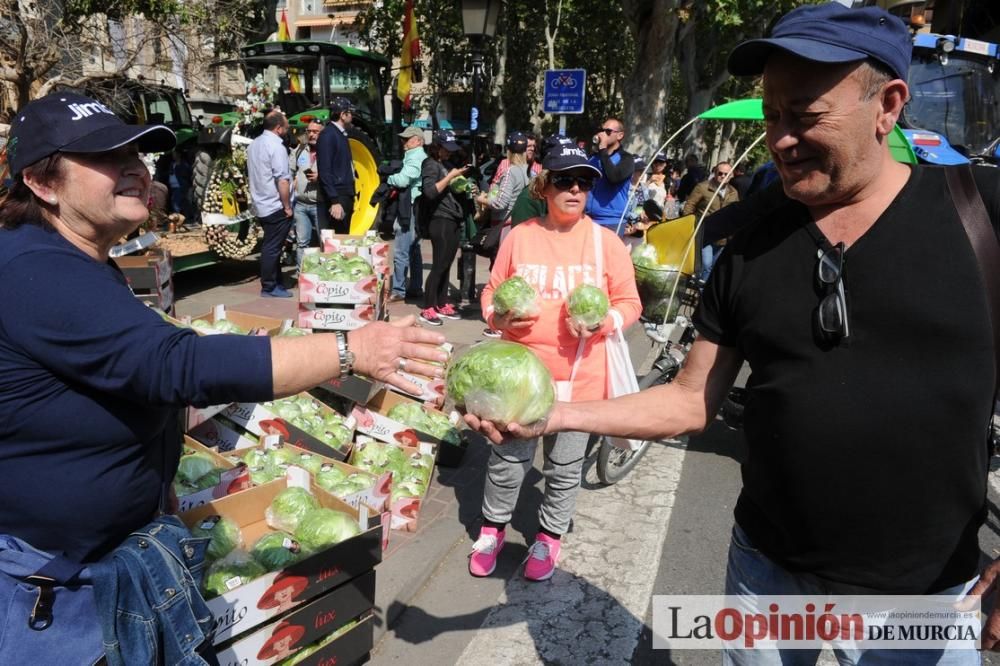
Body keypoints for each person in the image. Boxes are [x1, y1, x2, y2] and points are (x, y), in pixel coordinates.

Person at [467, 3, 1000, 663]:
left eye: (804, 116)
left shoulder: (980, 215)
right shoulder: (746, 241)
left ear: (887, 104)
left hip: (927, 595)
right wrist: (551, 414)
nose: (779, 139)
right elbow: (691, 399)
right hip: (766, 577)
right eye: (773, 115)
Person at [0, 92, 448, 663]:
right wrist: (350, 348)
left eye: (137, 153)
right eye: (108, 157)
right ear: (42, 182)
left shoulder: (74, 258)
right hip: (54, 598)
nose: (136, 168)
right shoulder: (34, 271)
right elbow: (178, 366)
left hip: (100, 567)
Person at [470, 143, 641, 582]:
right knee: (508, 463)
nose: (575, 190)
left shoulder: (606, 245)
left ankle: (548, 538)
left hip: (580, 381)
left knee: (564, 470)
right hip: (519, 382)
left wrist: (605, 321)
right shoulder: (521, 236)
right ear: (544, 186)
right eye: (565, 180)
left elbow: (630, 303)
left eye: (584, 182)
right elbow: (490, 293)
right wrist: (497, 316)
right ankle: (491, 530)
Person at [418, 130, 469, 327]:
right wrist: (451, 176)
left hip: (453, 218)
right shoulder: (430, 164)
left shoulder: (445, 164)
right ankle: (428, 306)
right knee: (439, 264)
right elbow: (430, 192)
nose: (449, 153)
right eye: (446, 149)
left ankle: (441, 302)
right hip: (439, 219)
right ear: (436, 147)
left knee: (447, 264)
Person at [248, 110, 295, 298]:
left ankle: (276, 282)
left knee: (271, 244)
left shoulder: (254, 144)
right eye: (286, 127)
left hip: (261, 202)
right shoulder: (276, 146)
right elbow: (282, 179)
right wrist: (287, 206)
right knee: (272, 247)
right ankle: (269, 286)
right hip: (275, 204)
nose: (287, 130)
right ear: (278, 128)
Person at [387, 126, 428, 303]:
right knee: (413, 249)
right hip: (416, 207)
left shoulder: (416, 156)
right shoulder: (415, 156)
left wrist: (389, 178)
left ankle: (398, 289)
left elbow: (403, 180)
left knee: (401, 249)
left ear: (419, 141)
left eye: (408, 139)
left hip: (408, 207)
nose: (404, 141)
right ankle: (416, 287)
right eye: (404, 138)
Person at [683, 161, 739, 280]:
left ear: (731, 175)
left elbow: (736, 212)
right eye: (720, 173)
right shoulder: (703, 187)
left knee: (714, 266)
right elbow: (689, 205)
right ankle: (701, 290)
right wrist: (688, 224)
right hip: (705, 233)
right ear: (715, 173)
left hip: (723, 236)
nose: (723, 176)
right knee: (706, 265)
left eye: (726, 174)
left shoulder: (733, 192)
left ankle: (702, 289)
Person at [584, 118, 635, 235]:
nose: (602, 134)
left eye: (608, 131)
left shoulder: (626, 159)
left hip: (612, 221)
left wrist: (603, 149)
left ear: (620, 135)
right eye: (601, 130)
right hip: (589, 219)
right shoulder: (593, 158)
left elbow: (614, 177)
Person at [316, 97, 356, 235]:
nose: (352, 116)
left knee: (343, 236)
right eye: (350, 112)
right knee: (336, 240)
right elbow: (325, 170)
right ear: (342, 114)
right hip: (338, 195)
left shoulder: (340, 134)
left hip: (345, 193)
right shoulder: (328, 135)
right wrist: (334, 201)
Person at [291, 121, 322, 269]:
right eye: (309, 131)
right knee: (302, 242)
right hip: (301, 205)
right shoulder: (300, 150)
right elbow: (289, 171)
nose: (311, 134)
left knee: (324, 242)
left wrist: (320, 178)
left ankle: (323, 276)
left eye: (315, 132)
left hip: (319, 205)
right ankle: (301, 276)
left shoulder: (327, 151)